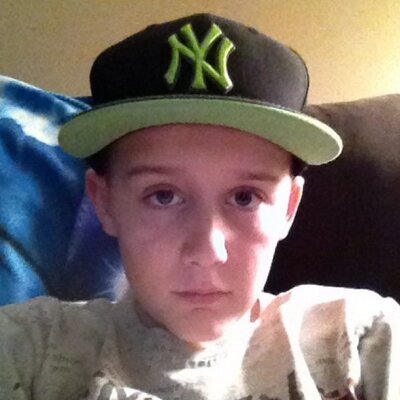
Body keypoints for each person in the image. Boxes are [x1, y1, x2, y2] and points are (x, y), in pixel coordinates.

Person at [0, 13, 399, 400]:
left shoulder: (362, 339)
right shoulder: (27, 350)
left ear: (289, 207)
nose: (208, 251)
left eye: (245, 197)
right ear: (103, 201)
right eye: (163, 195)